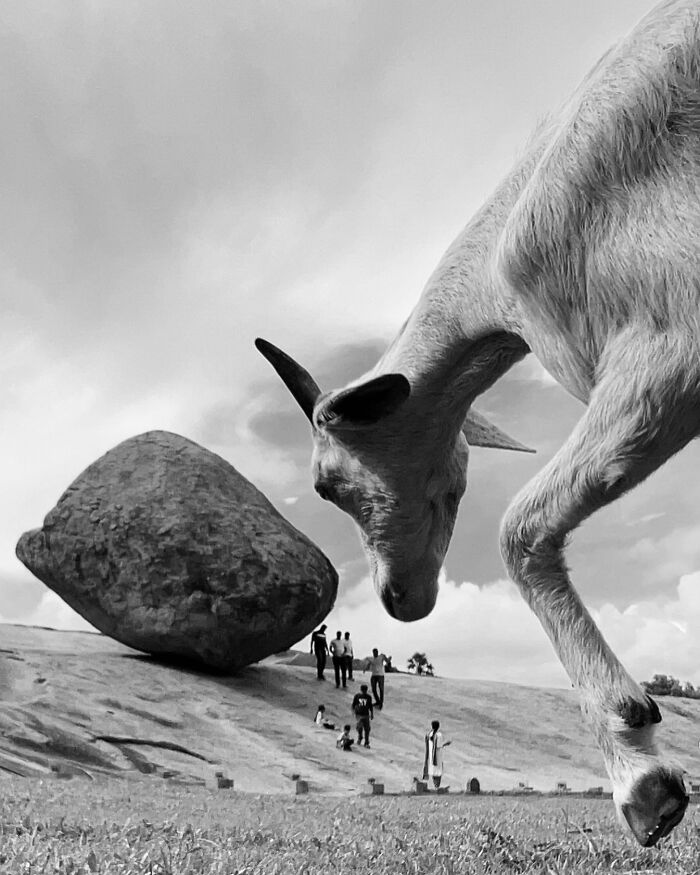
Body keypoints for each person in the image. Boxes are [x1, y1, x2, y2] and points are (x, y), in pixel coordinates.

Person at [423, 720, 451, 789]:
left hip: (430, 756)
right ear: (438, 726)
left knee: (433, 770)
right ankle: (437, 787)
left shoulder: (429, 734)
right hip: (437, 756)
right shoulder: (439, 735)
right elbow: (439, 746)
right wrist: (446, 744)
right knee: (438, 771)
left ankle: (435, 786)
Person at [352, 683, 374, 748]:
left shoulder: (369, 697)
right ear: (361, 690)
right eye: (363, 690)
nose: (364, 692)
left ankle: (366, 742)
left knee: (367, 729)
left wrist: (372, 714)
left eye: (365, 690)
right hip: (359, 715)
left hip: (366, 715)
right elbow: (353, 704)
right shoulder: (357, 696)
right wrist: (354, 712)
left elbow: (370, 706)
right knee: (359, 727)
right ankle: (360, 737)